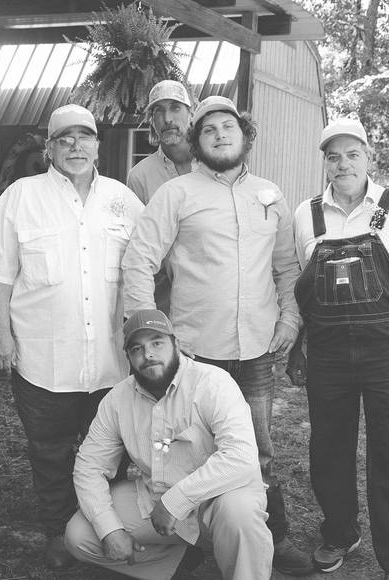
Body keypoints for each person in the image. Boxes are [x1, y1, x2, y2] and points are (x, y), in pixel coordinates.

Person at [121, 96, 313, 576]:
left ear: (245, 136)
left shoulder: (269, 194)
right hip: (195, 353)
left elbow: (286, 267)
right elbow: (139, 260)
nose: (220, 134)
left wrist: (290, 320)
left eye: (229, 126)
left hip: (256, 351)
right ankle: (188, 542)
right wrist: (148, 333)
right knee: (184, 448)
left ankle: (272, 537)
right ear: (197, 142)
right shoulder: (176, 194)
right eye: (209, 130)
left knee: (257, 448)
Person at [0, 104, 144, 570]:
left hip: (111, 362)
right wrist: (0, 334)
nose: (75, 146)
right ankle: (58, 532)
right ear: (49, 148)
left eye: (85, 137)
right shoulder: (21, 196)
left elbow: (149, 266)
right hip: (43, 360)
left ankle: (103, 527)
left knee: (110, 454)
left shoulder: (124, 201)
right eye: (65, 138)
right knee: (49, 453)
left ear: (98, 146)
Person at [289, 117, 389, 580]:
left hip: (388, 351)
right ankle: (340, 533)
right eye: (333, 156)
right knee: (328, 449)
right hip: (327, 352)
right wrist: (298, 347)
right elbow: (303, 289)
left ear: (368, 157)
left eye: (352, 154)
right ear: (325, 163)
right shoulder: (306, 215)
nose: (343, 164)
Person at [64, 309, 273, 580]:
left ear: (176, 344)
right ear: (128, 357)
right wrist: (111, 531)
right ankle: (177, 566)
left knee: (239, 514)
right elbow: (89, 466)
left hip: (217, 500)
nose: (148, 354)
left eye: (157, 342)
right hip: (156, 500)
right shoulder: (117, 399)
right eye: (137, 349)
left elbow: (241, 457)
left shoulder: (212, 383)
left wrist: (176, 500)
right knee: (80, 535)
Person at [126, 79, 195, 315]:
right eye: (158, 111)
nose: (167, 119)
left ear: (191, 114)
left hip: (211, 297)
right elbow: (137, 247)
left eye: (175, 108)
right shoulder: (140, 176)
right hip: (163, 301)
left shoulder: (212, 166)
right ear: (151, 120)